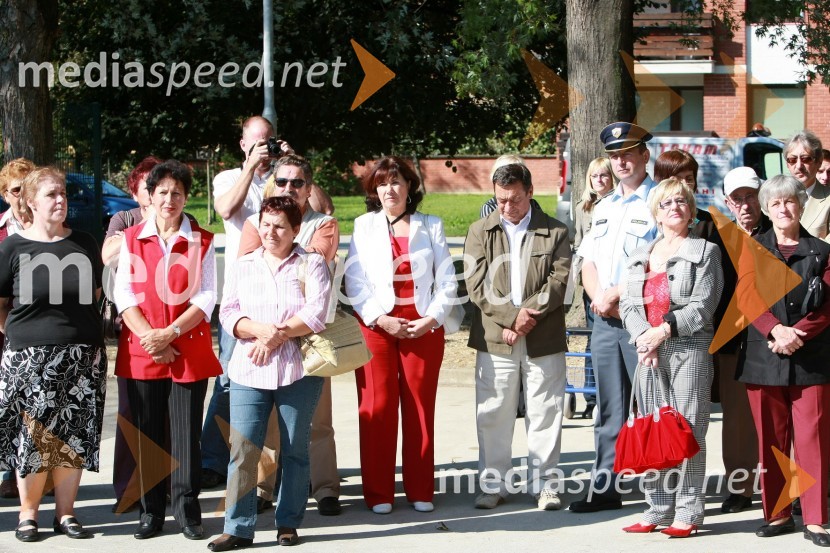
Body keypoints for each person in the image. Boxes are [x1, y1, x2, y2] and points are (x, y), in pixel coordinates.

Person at [210, 196, 331, 550]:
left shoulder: (311, 264)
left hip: (299, 371)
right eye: (265, 224)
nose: (270, 232)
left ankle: (288, 522)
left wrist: (275, 335)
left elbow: (316, 313)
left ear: (296, 230)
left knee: (294, 450)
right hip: (250, 369)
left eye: (280, 226)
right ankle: (238, 527)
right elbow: (228, 312)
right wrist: (257, 330)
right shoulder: (244, 265)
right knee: (243, 449)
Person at [113, 160, 222, 541]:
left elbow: (208, 294)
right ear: (149, 197)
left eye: (177, 193)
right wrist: (150, 338)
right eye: (162, 192)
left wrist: (170, 333)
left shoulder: (202, 241)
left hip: (186, 348)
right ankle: (150, 512)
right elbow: (123, 292)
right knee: (147, 434)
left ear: (186, 197)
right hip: (144, 349)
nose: (169, 199)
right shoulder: (131, 239)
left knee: (186, 433)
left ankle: (187, 511)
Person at [344, 156, 458, 514]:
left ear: (410, 187)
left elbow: (448, 280)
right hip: (378, 327)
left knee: (419, 408)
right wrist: (380, 319)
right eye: (381, 184)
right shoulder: (363, 226)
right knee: (377, 408)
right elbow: (354, 281)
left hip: (422, 326)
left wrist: (432, 319)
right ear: (374, 191)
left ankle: (420, 488)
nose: (389, 189)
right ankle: (379, 493)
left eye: (396, 182)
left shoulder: (432, 225)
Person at [0, 166, 106, 542]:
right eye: (51, 195)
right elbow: (1, 303)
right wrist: (15, 333)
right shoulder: (13, 246)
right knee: (34, 438)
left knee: (71, 436)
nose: (61, 200)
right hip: (30, 358)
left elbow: (94, 296)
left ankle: (66, 513)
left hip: (81, 357)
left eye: (62, 193)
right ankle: (28, 515)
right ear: (30, 202)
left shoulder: (85, 242)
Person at [235, 154, 342, 517]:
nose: (289, 188)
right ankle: (265, 488)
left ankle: (325, 487)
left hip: (309, 339)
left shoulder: (324, 223)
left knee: (316, 420)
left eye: (297, 183)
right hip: (260, 341)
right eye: (281, 182)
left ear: (309, 189)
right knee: (264, 426)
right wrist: (265, 334)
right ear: (272, 184)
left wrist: (276, 332)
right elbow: (252, 269)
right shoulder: (256, 222)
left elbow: (312, 264)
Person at [618, 178, 723, 537]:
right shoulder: (638, 256)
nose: (675, 207)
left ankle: (689, 512)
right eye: (666, 203)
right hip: (648, 354)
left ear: (692, 211)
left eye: (682, 201)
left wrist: (660, 333)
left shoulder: (706, 252)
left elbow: (703, 306)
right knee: (654, 428)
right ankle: (657, 508)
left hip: (688, 350)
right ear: (656, 213)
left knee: (690, 430)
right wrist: (641, 341)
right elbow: (630, 304)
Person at [464, 163, 571, 510]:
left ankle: (545, 486)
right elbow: (476, 285)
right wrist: (512, 318)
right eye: (499, 200)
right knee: (493, 412)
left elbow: (558, 281)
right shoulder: (480, 230)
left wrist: (527, 318)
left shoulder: (555, 232)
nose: (506, 207)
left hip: (544, 336)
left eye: (513, 199)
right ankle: (493, 485)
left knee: (546, 412)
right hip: (496, 337)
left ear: (529, 193)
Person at [736, 174, 830, 547]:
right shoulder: (752, 249)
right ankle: (777, 514)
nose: (783, 209)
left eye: (789, 201)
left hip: (813, 358)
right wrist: (776, 331)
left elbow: (828, 306)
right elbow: (745, 297)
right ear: (766, 209)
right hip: (765, 355)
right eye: (774, 203)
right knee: (772, 441)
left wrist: (797, 334)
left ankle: (816, 519)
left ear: (801, 205)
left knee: (813, 440)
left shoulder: (822, 251)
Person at [571, 122, 659, 513]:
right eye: (614, 155)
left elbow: (661, 259)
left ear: (645, 155)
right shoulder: (604, 206)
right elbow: (587, 259)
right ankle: (605, 486)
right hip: (605, 321)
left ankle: (663, 490)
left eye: (628, 153)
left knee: (654, 406)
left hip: (643, 320)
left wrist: (616, 294)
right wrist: (598, 297)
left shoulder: (660, 200)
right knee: (610, 408)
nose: (621, 161)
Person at [201, 116, 292, 489]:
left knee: (280, 381)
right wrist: (251, 168)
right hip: (244, 290)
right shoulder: (228, 177)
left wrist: (292, 164)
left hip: (282, 289)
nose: (264, 149)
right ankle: (211, 459)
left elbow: (321, 207)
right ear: (242, 144)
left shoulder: (284, 177)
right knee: (229, 379)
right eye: (256, 143)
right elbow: (224, 209)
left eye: (269, 142)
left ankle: (270, 468)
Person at [100, 156, 162, 514]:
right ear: (137, 193)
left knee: (168, 413)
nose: (157, 197)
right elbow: (107, 255)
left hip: (171, 328)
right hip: (133, 328)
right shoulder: (125, 220)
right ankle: (127, 486)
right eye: (149, 189)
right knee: (131, 410)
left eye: (164, 189)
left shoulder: (183, 220)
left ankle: (164, 483)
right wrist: (144, 230)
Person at [710, 166, 769, 514]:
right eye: (738, 199)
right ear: (727, 203)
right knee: (736, 418)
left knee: (777, 418)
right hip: (732, 339)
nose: (745, 205)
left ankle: (787, 487)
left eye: (751, 197)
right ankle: (740, 488)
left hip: (772, 339)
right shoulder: (717, 238)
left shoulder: (779, 234)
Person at [0, 158, 34, 501]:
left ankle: (41, 471)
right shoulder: (0, 233)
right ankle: (10, 472)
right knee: (10, 403)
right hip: (7, 332)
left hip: (40, 333)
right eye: (14, 190)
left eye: (27, 189)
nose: (21, 197)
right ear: (5, 195)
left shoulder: (55, 229)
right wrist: (9, 330)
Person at [572, 157, 616, 416]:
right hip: (591, 282)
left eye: (604, 176)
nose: (599, 181)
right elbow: (578, 245)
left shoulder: (621, 204)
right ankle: (592, 399)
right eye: (595, 176)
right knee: (593, 340)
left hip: (614, 281)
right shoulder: (583, 208)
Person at [652, 149, 716, 240]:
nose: (684, 184)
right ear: (662, 181)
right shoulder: (644, 215)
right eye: (677, 179)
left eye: (689, 179)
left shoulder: (707, 222)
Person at [784, 130, 829, 240]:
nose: (799, 166)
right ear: (787, 164)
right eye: (792, 160)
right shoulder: (774, 198)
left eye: (805, 159)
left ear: (819, 161)